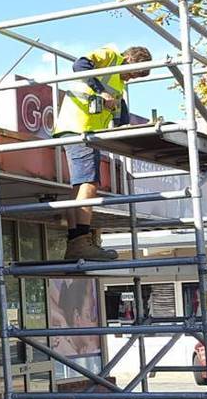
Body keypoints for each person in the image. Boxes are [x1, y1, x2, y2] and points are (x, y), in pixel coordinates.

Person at [53, 44, 153, 260]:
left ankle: (76, 240)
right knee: (89, 184)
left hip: (83, 130)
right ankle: (80, 242)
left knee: (80, 186)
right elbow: (79, 65)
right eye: (133, 73)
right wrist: (102, 92)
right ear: (129, 59)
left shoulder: (118, 84)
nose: (130, 78)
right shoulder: (110, 56)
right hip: (80, 127)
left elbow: (121, 117)